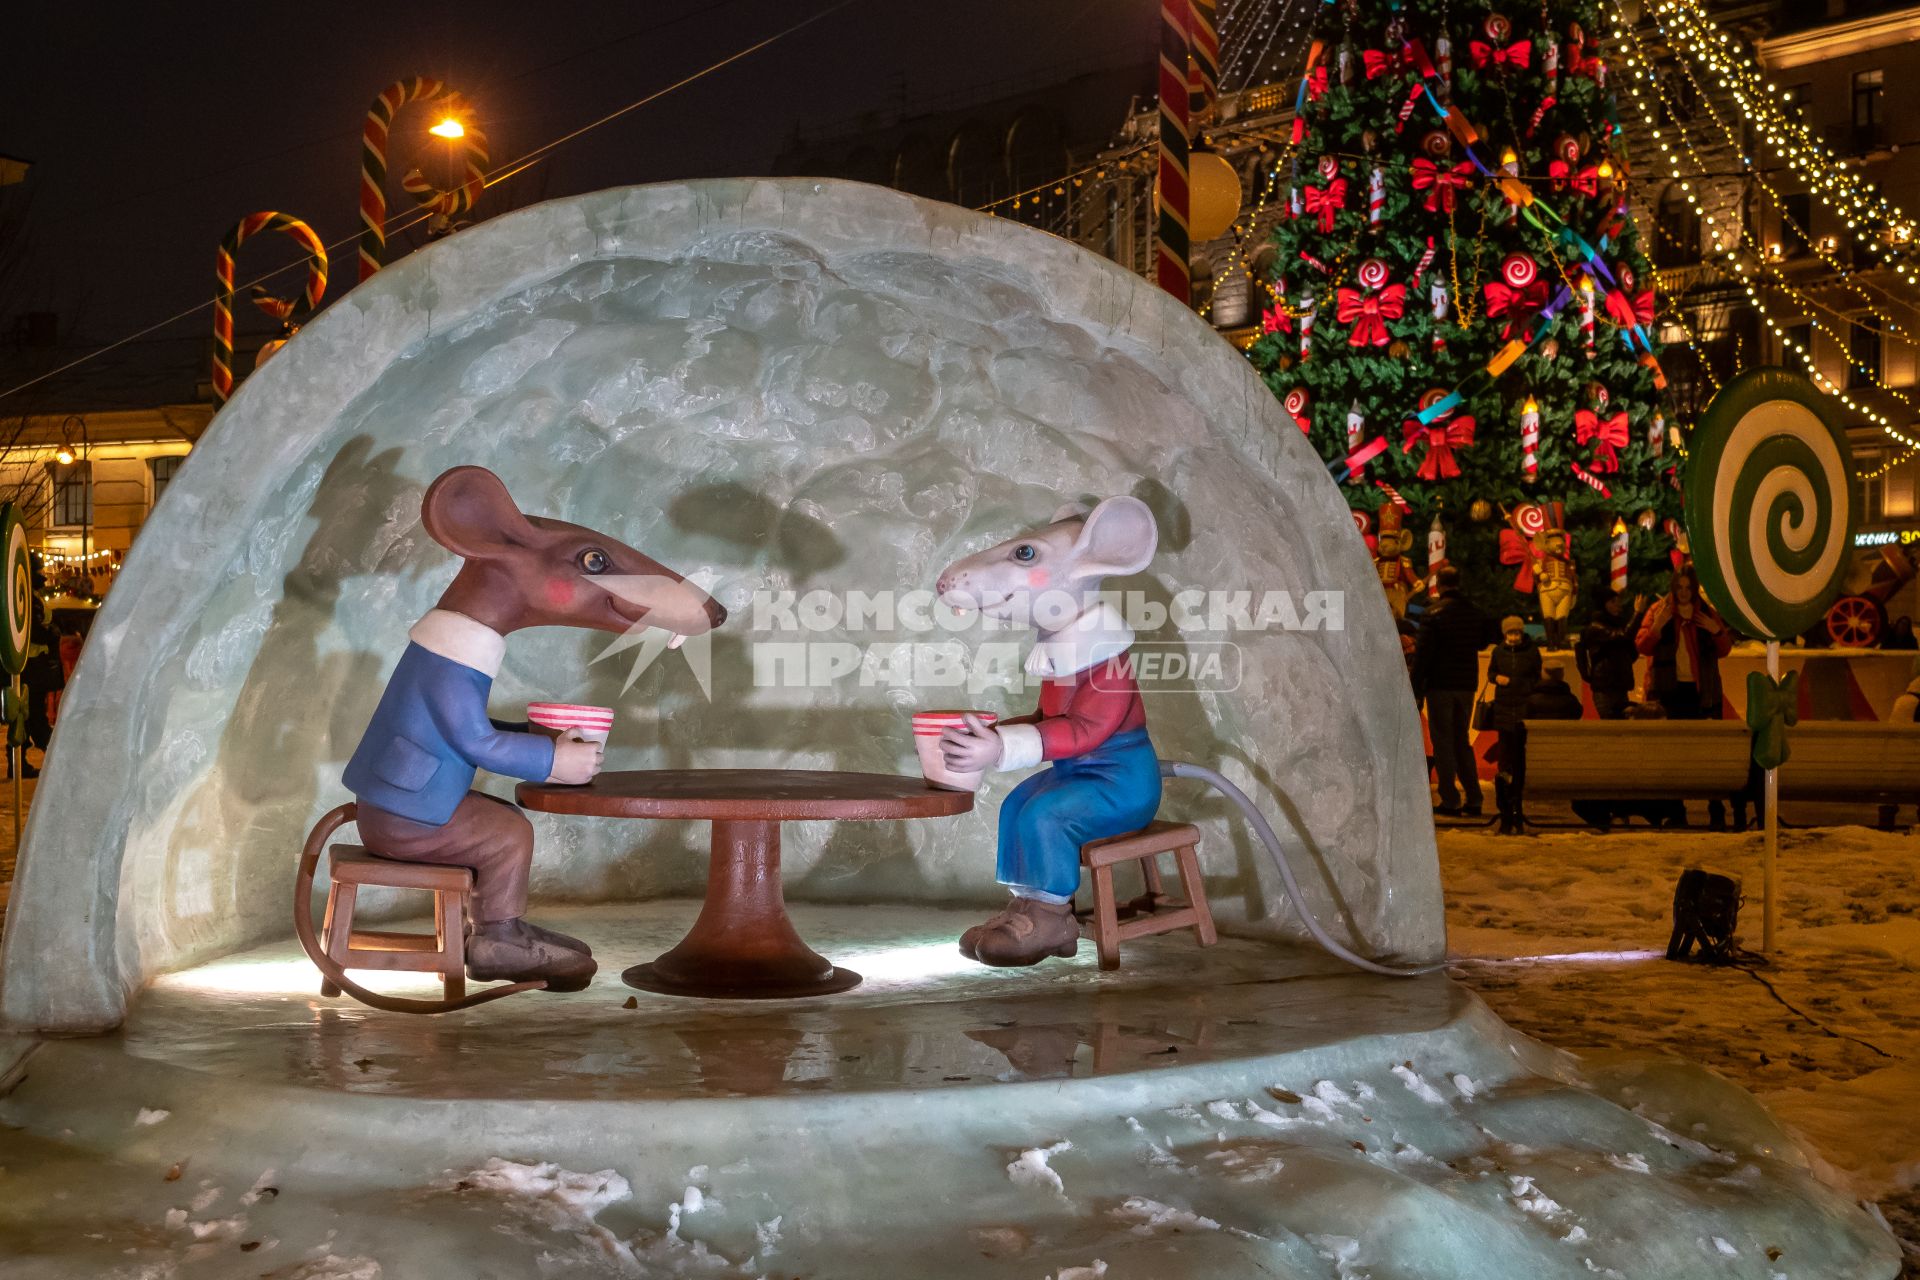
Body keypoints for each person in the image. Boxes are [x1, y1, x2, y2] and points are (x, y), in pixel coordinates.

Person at [1636, 567, 1736, 828]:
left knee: (1707, 753)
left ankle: (1715, 807)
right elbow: (1643, 646)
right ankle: (1676, 810)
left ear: (1694, 589)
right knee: (1671, 753)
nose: (1683, 593)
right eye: (1679, 587)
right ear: (1672, 587)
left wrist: (1716, 630)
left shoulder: (1705, 613)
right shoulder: (1660, 610)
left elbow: (1723, 650)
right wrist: (1657, 627)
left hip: (1701, 692)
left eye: (1687, 588)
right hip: (1669, 691)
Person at [1413, 566, 1496, 816]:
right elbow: (1484, 640)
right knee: (1462, 740)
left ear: (1438, 584)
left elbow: (1423, 656)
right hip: (1466, 684)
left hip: (1440, 684)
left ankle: (1450, 799)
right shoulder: (1474, 612)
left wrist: (1415, 688)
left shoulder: (1432, 614)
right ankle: (1474, 798)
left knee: (1443, 742)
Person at [1487, 617, 1543, 834]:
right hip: (1503, 709)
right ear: (1504, 634)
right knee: (1505, 761)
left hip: (1522, 708)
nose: (1513, 637)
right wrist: (1496, 678)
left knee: (1518, 759)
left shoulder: (1531, 652)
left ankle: (1514, 807)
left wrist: (1520, 684)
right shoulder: (1498, 652)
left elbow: (1536, 676)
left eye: (1517, 633)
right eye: (1510, 633)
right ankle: (1506, 810)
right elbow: (1491, 673)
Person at [1576, 588, 1641, 719]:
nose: (1618, 605)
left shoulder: (1619, 624)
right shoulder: (1595, 627)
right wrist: (1638, 613)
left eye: (1618, 601)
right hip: (1605, 687)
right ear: (1603, 604)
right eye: (1612, 601)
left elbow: (1631, 651)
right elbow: (1623, 636)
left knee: (1622, 725)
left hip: (1620, 685)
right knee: (1610, 723)